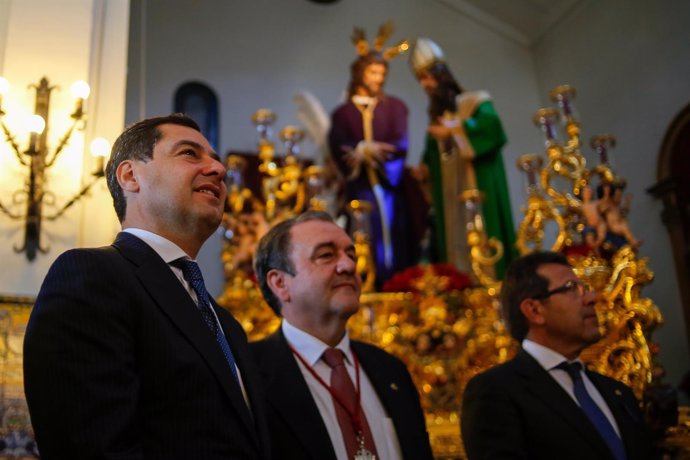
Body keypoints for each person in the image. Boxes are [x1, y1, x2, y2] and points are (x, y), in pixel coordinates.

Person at [23, 114, 270, 459]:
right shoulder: (92, 275)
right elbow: (90, 445)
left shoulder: (225, 322)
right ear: (130, 176)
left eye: (215, 159)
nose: (217, 169)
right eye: (189, 153)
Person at [250, 210, 434, 460]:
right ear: (280, 283)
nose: (348, 266)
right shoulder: (248, 375)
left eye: (351, 255)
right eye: (326, 255)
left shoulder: (392, 371)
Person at [461, 251, 656, 460]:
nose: (592, 298)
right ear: (534, 310)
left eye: (586, 289)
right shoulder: (496, 391)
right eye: (573, 289)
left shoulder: (617, 392)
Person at [409, 37, 517, 278]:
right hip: (451, 200)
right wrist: (423, 173)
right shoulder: (436, 120)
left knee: (488, 242)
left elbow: (492, 128)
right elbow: (431, 161)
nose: (425, 85)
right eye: (420, 80)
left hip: (477, 189)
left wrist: (455, 130)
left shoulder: (475, 101)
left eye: (427, 77)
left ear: (441, 74)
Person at [328, 22, 419, 285]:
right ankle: (368, 284)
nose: (378, 78)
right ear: (360, 74)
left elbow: (399, 142)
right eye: (372, 72)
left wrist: (373, 153)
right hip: (361, 187)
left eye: (381, 73)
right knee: (364, 235)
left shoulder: (396, 107)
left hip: (390, 187)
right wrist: (359, 149)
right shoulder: (343, 113)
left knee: (395, 233)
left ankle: (397, 283)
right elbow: (338, 144)